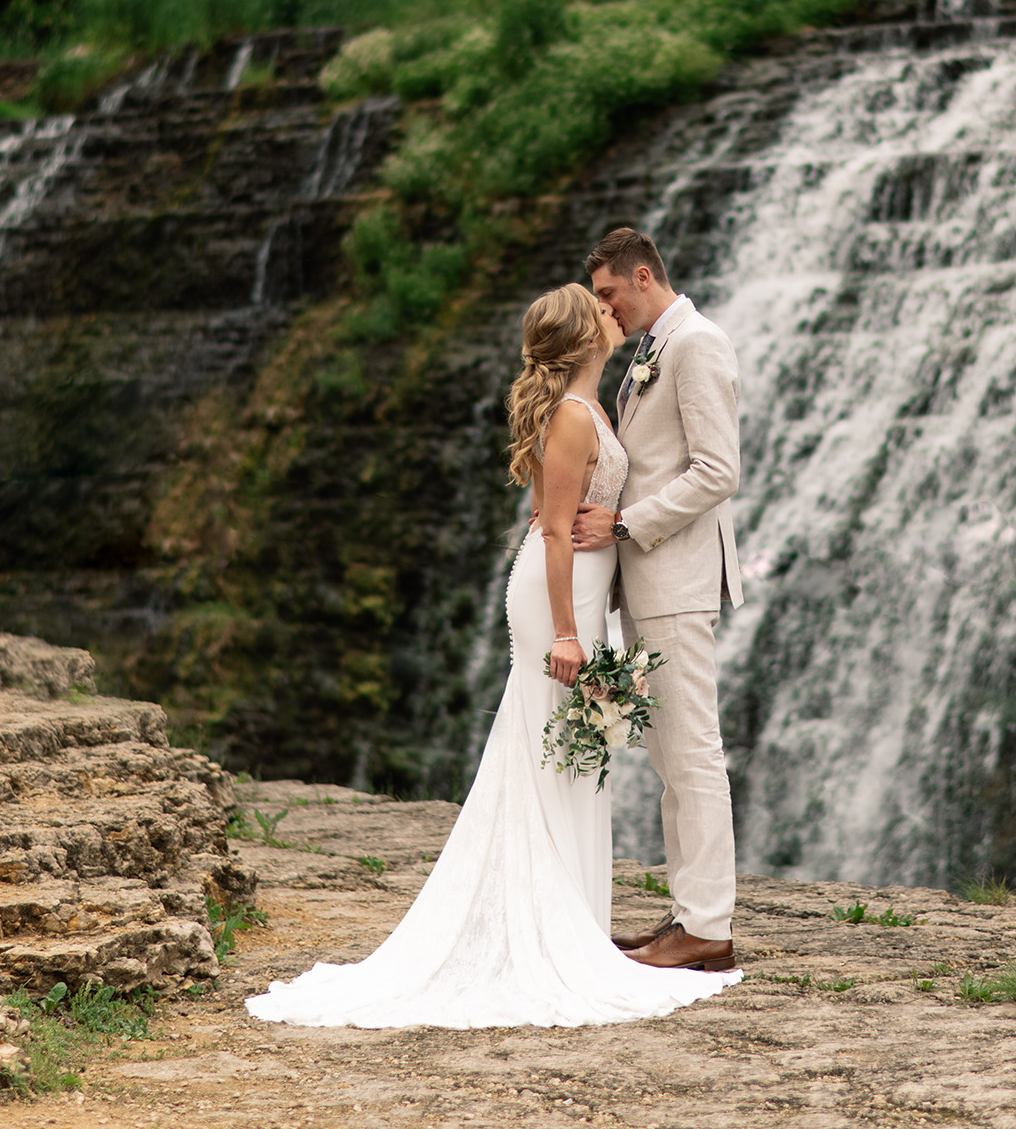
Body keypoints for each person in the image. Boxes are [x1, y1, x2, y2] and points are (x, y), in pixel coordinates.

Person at [245, 283, 739, 1028]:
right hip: (555, 608)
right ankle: (544, 925)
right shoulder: (575, 416)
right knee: (548, 754)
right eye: (599, 307)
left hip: (578, 599)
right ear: (580, 338)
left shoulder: (594, 406)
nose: (614, 312)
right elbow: (550, 532)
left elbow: (558, 509)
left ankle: (565, 916)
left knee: (566, 758)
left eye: (611, 297)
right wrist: (571, 631)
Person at [573, 226, 741, 973]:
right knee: (674, 756)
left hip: (673, 575)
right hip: (649, 579)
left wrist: (626, 523)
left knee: (694, 752)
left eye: (609, 293)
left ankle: (707, 925)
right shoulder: (652, 348)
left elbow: (716, 470)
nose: (603, 309)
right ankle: (688, 913)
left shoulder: (696, 343)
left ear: (643, 276)